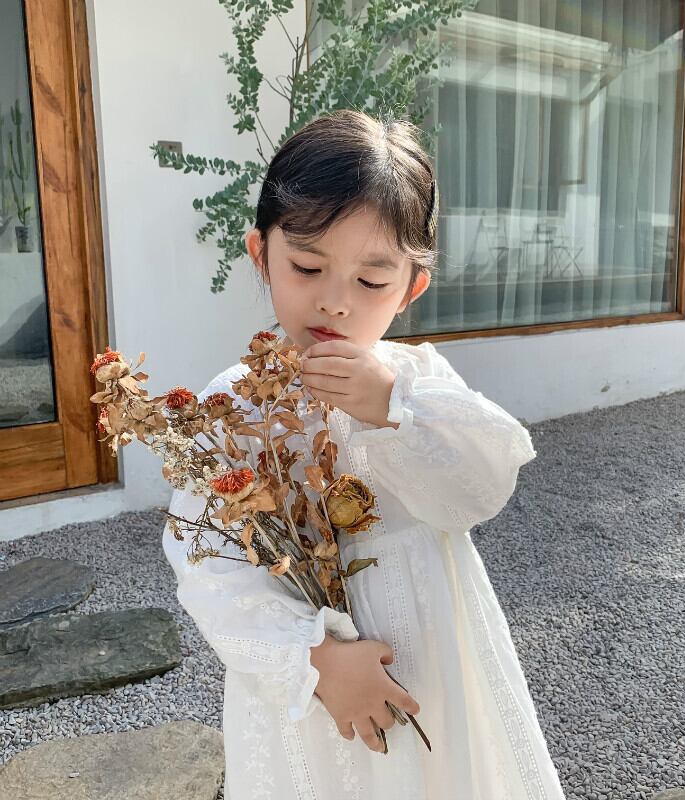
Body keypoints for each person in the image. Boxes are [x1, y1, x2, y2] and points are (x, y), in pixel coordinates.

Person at [162, 108, 566, 799]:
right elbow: (205, 562)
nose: (336, 302)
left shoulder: (418, 383)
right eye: (307, 266)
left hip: (430, 653)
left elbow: (478, 492)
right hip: (307, 691)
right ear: (261, 254)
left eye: (371, 280)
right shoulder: (233, 408)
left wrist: (392, 410)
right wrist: (314, 658)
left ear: (412, 287)